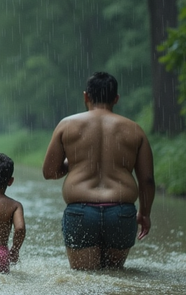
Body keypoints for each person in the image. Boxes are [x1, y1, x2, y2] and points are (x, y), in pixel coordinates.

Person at [42, 71, 155, 270]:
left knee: (85, 285)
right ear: (116, 98)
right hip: (121, 212)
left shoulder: (67, 125)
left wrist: (74, 163)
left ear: (86, 96)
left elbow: (49, 172)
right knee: (113, 281)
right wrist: (145, 213)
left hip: (81, 213)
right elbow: (147, 180)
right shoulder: (135, 130)